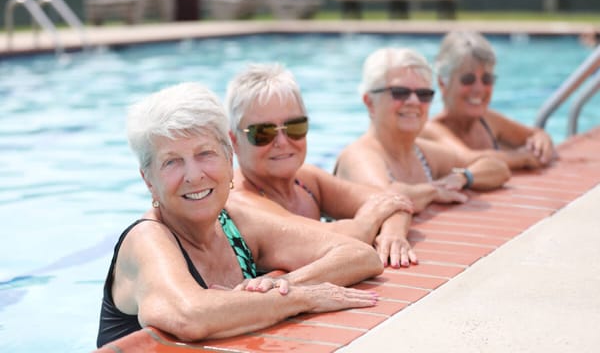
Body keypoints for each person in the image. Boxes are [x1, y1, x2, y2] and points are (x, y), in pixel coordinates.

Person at [96, 82, 384, 347]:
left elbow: (359, 255)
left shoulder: (234, 220)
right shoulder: (147, 238)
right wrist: (299, 298)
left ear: (228, 159)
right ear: (148, 180)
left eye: (205, 154)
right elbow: (190, 316)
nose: (194, 176)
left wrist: (283, 285)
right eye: (172, 161)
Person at [224, 63, 417, 269]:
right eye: (263, 133)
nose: (282, 141)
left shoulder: (305, 180)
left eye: (294, 127)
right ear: (234, 141)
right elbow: (342, 239)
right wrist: (373, 218)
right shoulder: (241, 202)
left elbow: (391, 199)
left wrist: (392, 235)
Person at [334, 47, 510, 211]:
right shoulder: (359, 155)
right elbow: (386, 199)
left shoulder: (423, 153)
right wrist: (433, 191)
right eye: (400, 92)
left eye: (424, 94)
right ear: (370, 102)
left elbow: (497, 167)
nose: (414, 101)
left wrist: (463, 178)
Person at [420, 30, 557, 170]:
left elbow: (536, 134)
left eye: (487, 79)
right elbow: (467, 160)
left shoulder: (488, 120)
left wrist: (541, 142)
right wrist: (523, 158)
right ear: (443, 83)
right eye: (468, 80)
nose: (479, 89)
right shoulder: (430, 129)